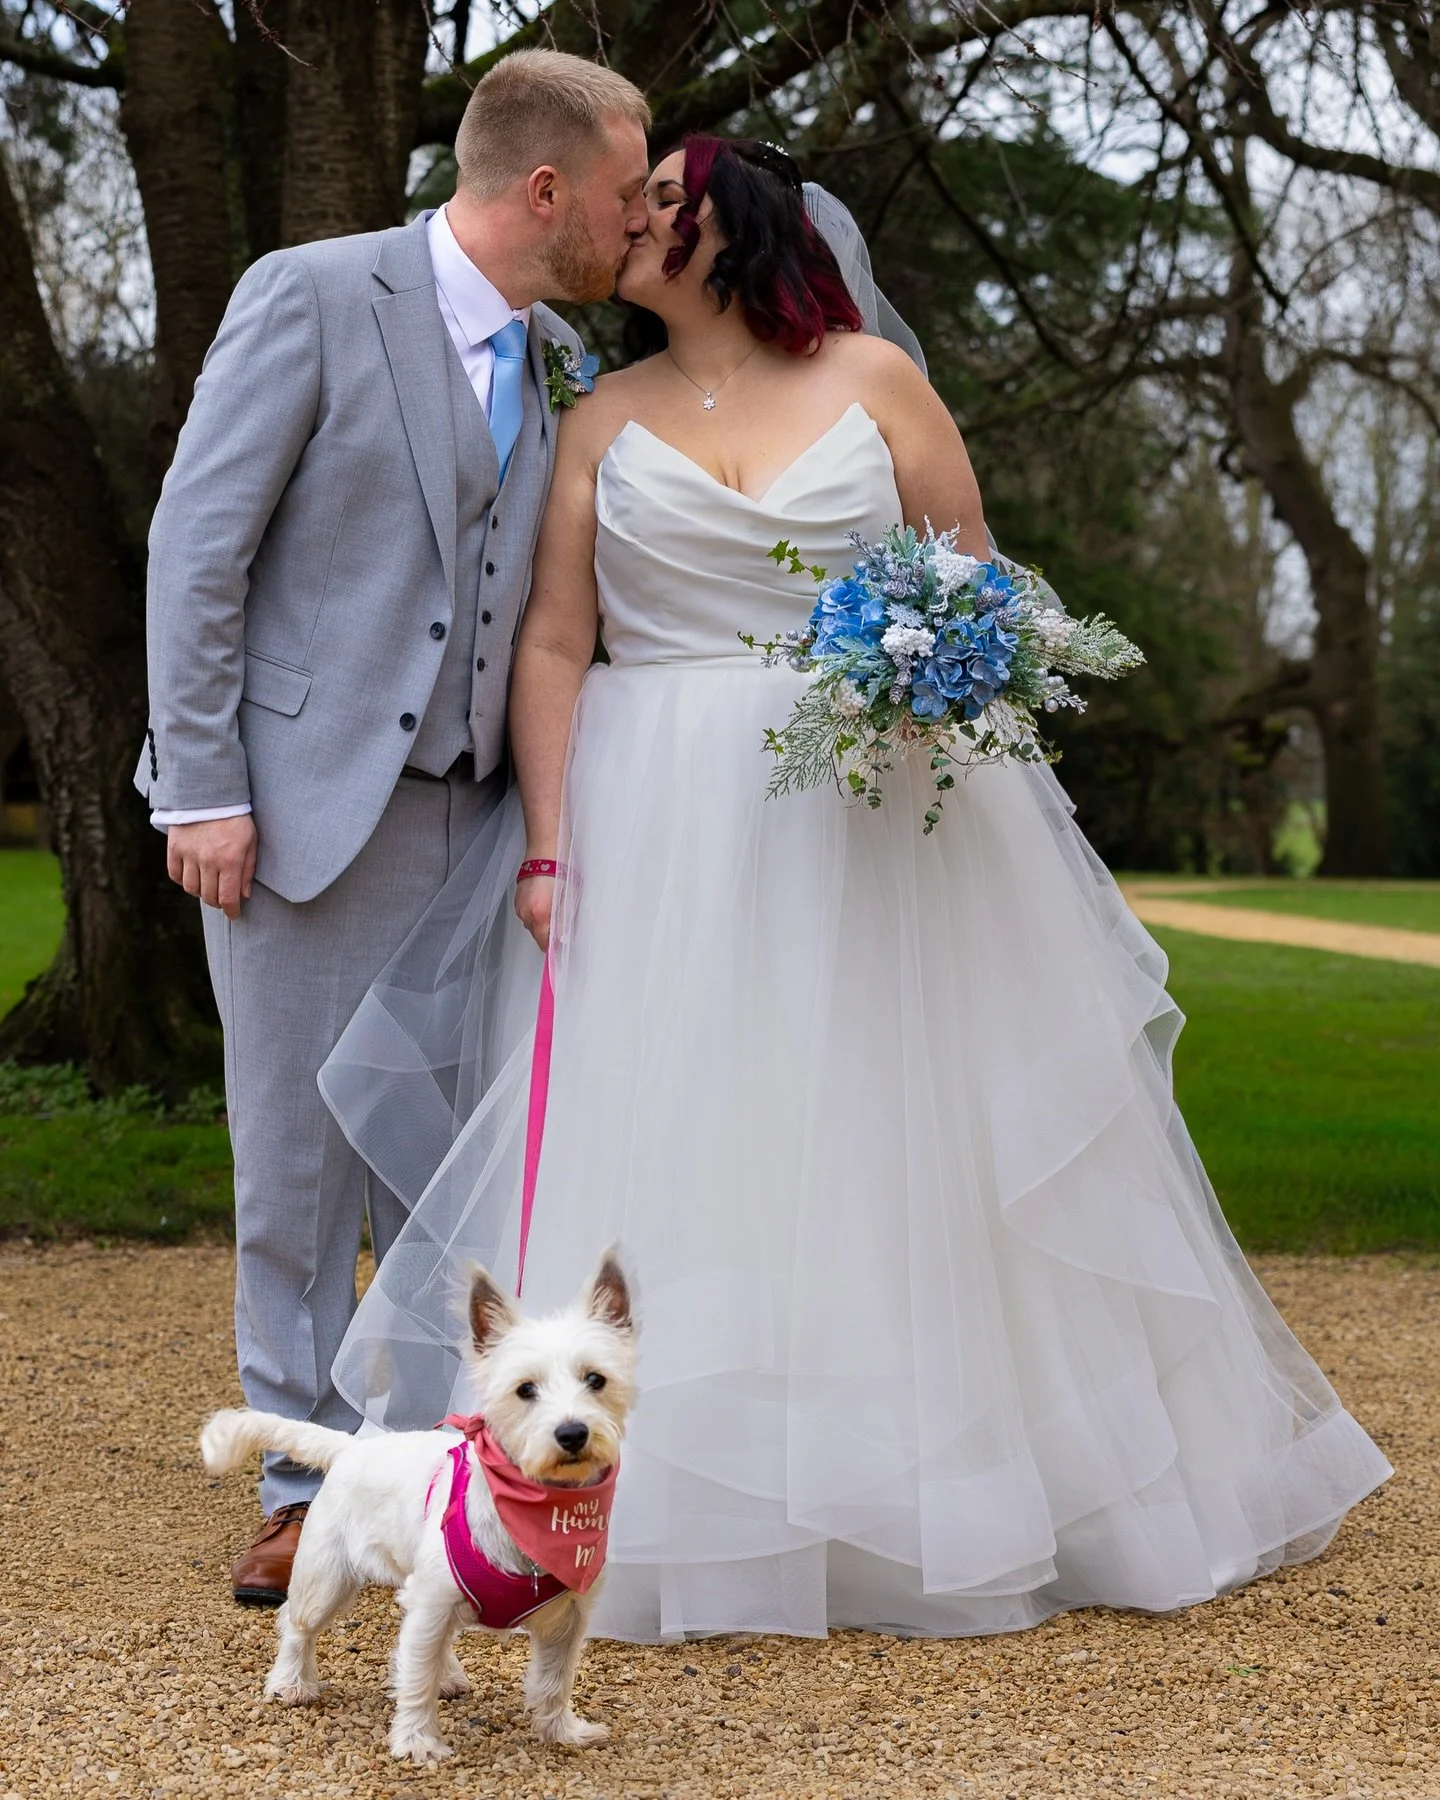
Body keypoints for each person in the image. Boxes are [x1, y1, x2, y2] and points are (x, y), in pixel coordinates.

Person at [319, 137, 1391, 1641]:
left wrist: (933, 669)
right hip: (657, 815)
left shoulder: (874, 381)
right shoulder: (599, 414)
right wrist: (550, 844)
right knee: (693, 1122)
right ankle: (645, 1507)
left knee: (883, 1126)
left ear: (737, 227)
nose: (635, 220)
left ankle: (923, 1489)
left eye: (665, 202)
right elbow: (557, 640)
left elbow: (979, 581)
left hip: (865, 806)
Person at [136, 50, 651, 1604]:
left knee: (442, 1177)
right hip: (297, 812)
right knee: (297, 1171)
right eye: (625, 193)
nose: (640, 221)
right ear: (546, 189)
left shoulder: (558, 353)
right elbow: (198, 543)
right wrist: (203, 786)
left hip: (477, 827)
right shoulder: (312, 295)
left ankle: (430, 1472)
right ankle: (301, 1486)